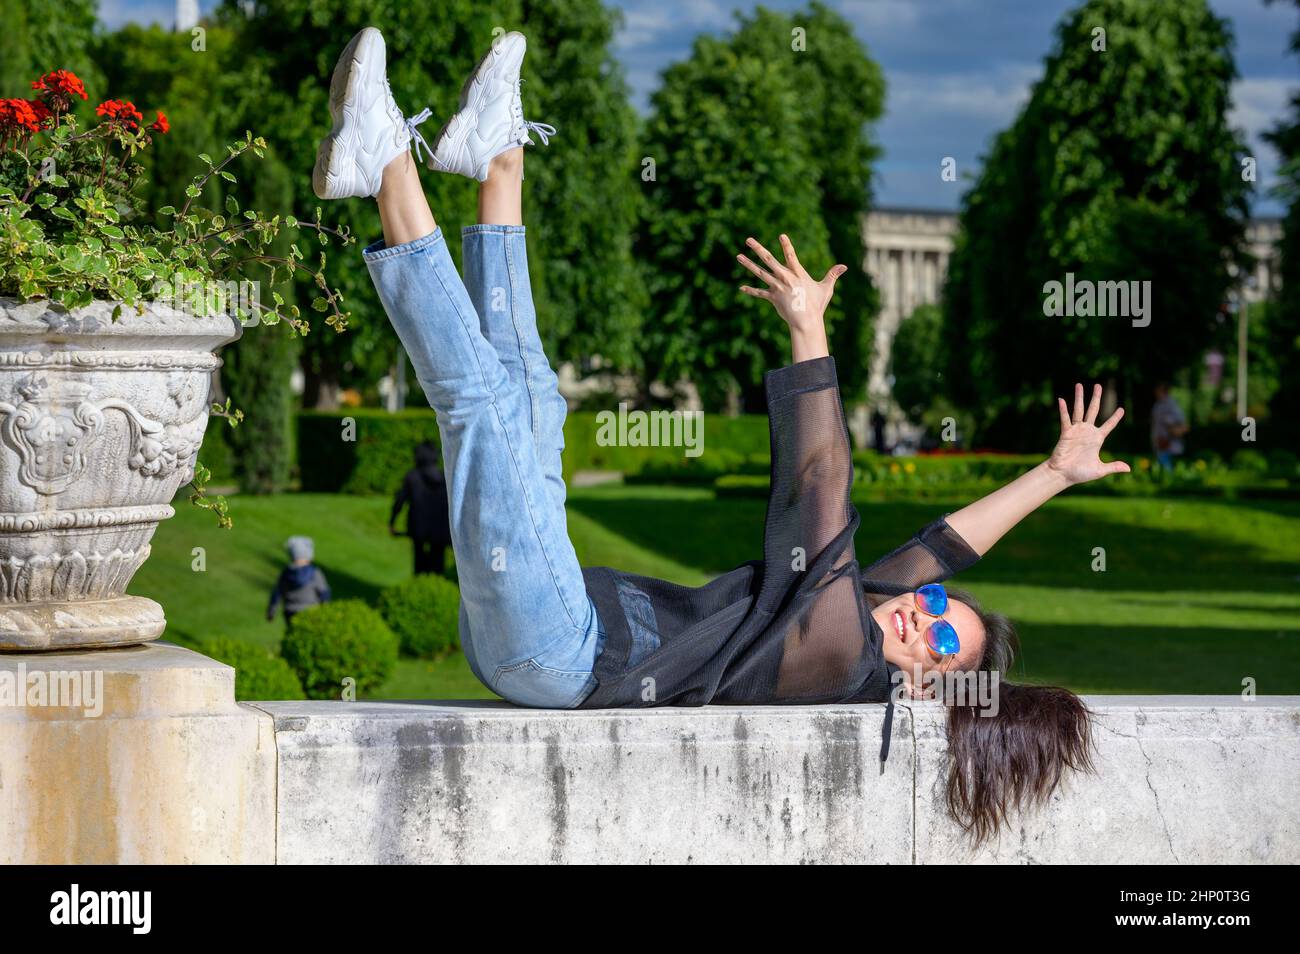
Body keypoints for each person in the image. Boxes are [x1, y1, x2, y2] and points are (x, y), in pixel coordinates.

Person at [311, 27, 1130, 842]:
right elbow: (942, 544)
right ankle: (498, 158)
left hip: (561, 653)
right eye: (941, 608)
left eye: (943, 642)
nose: (927, 615)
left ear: (921, 688)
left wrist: (809, 333)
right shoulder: (856, 607)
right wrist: (1055, 473)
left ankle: (384, 163)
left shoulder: (846, 662)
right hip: (557, 614)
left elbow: (819, 491)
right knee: (532, 401)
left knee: (484, 411)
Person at [390, 441, 452, 575]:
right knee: (438, 563)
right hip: (440, 528)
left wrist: (392, 521)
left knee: (419, 562)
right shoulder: (444, 477)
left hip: (418, 527)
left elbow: (400, 501)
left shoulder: (412, 477)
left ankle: (420, 584)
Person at [266, 536, 331, 629]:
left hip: (290, 611)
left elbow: (278, 592)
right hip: (310, 610)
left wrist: (271, 611)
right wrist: (325, 610)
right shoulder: (314, 572)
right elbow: (324, 592)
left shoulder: (287, 572)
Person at [1151, 381, 1189, 470]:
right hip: (1160, 443)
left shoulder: (1172, 405)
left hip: (1170, 444)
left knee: (1168, 471)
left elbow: (1183, 424)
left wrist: (1174, 429)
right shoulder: (1157, 405)